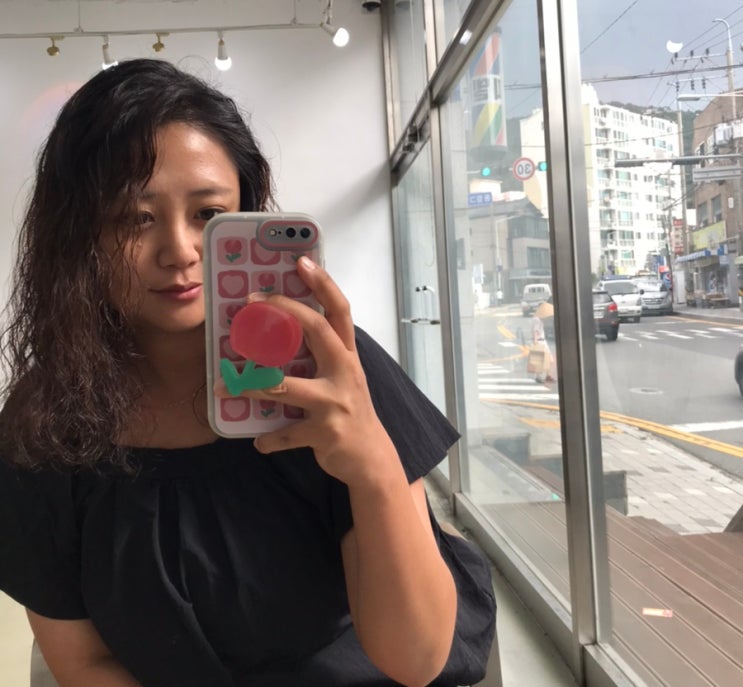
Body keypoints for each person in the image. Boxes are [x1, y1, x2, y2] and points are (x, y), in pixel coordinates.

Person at [0, 59, 495, 686]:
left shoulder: (328, 370)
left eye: (209, 214)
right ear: (78, 236)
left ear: (246, 213)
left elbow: (415, 659)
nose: (180, 251)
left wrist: (372, 463)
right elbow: (83, 662)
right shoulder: (46, 425)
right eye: (135, 218)